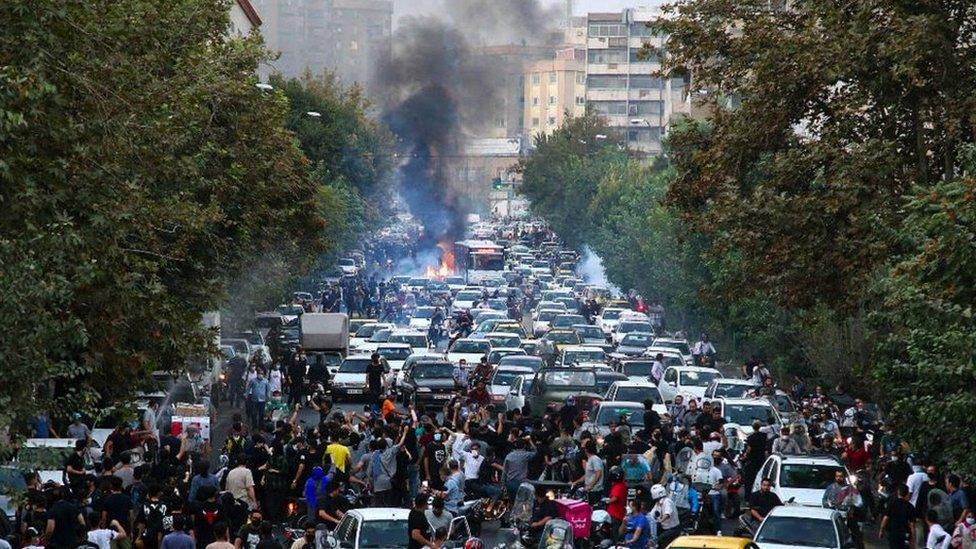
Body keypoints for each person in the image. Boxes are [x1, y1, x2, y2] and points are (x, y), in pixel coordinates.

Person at [879, 485, 917, 549]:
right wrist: (913, 539)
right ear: (907, 493)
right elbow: (912, 525)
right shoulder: (910, 507)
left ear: (898, 492)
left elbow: (885, 518)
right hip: (904, 534)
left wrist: (881, 530)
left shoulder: (892, 503)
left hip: (893, 533)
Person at [650, 484, 681, 548]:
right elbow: (651, 514)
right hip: (664, 528)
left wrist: (660, 521)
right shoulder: (658, 503)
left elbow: (667, 514)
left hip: (673, 529)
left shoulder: (667, 501)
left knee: (659, 540)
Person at [606, 466, 628, 534]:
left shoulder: (618, 486)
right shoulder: (621, 485)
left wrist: (606, 501)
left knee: (614, 533)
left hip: (615, 515)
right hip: (616, 514)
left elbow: (615, 498)